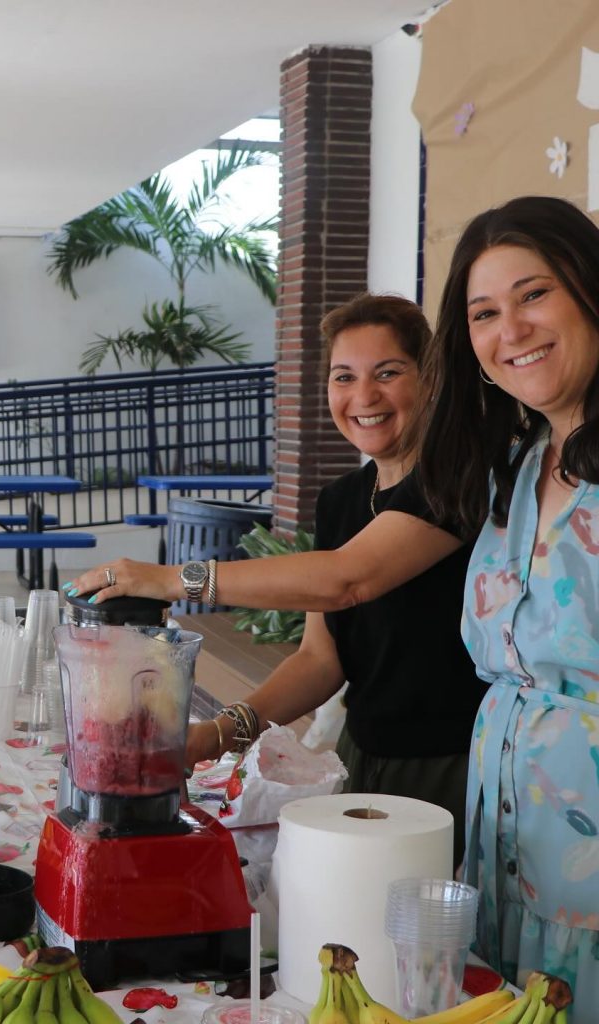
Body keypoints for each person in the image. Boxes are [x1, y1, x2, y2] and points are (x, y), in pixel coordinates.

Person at [63, 293, 485, 864]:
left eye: (388, 373)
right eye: (344, 377)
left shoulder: (456, 483)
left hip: (451, 764)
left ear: (429, 379)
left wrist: (172, 580)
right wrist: (215, 736)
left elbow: (346, 580)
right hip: (364, 752)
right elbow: (320, 659)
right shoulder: (341, 501)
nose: (364, 397)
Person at [416, 195, 599, 1016]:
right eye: (485, 313)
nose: (511, 329)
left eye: (535, 295)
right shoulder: (516, 468)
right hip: (502, 853)